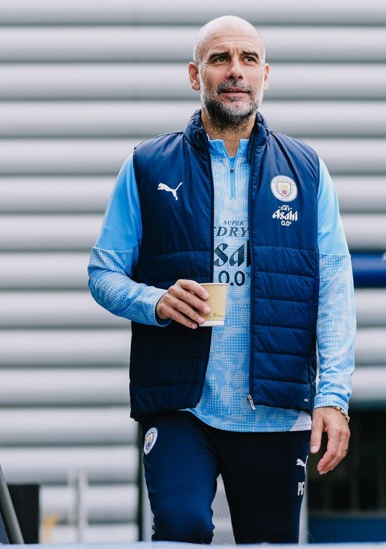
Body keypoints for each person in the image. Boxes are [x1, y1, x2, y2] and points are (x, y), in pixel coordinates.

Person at [87, 15, 355, 544]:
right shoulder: (146, 166)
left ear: (265, 76)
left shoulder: (306, 171)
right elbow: (102, 272)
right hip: (183, 405)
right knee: (182, 528)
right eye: (220, 59)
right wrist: (156, 301)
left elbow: (335, 289)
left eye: (248, 59)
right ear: (195, 75)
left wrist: (333, 395)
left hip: (275, 412)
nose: (235, 71)